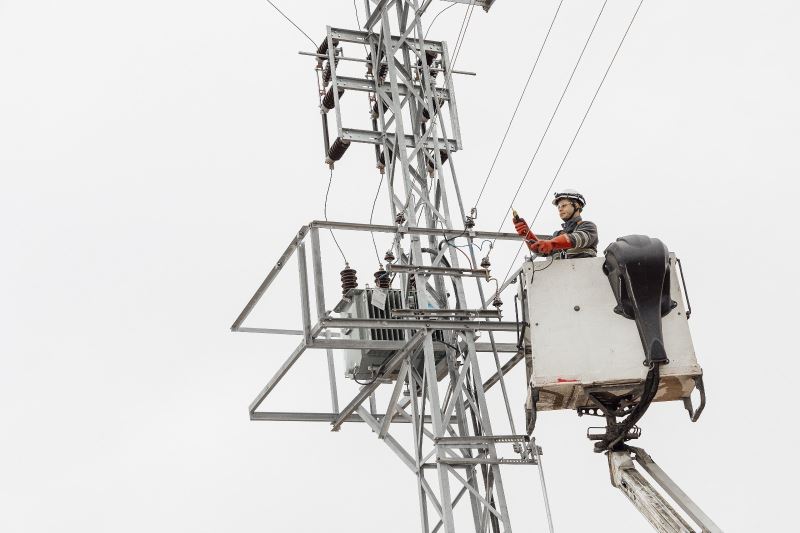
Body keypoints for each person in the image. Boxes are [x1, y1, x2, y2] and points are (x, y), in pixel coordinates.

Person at [513, 188, 598, 259]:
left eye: (564, 205)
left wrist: (552, 243)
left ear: (576, 205)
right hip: (561, 278)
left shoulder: (588, 226)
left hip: (585, 276)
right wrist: (527, 234)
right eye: (559, 207)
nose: (560, 209)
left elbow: (576, 238)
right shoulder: (557, 235)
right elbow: (541, 250)